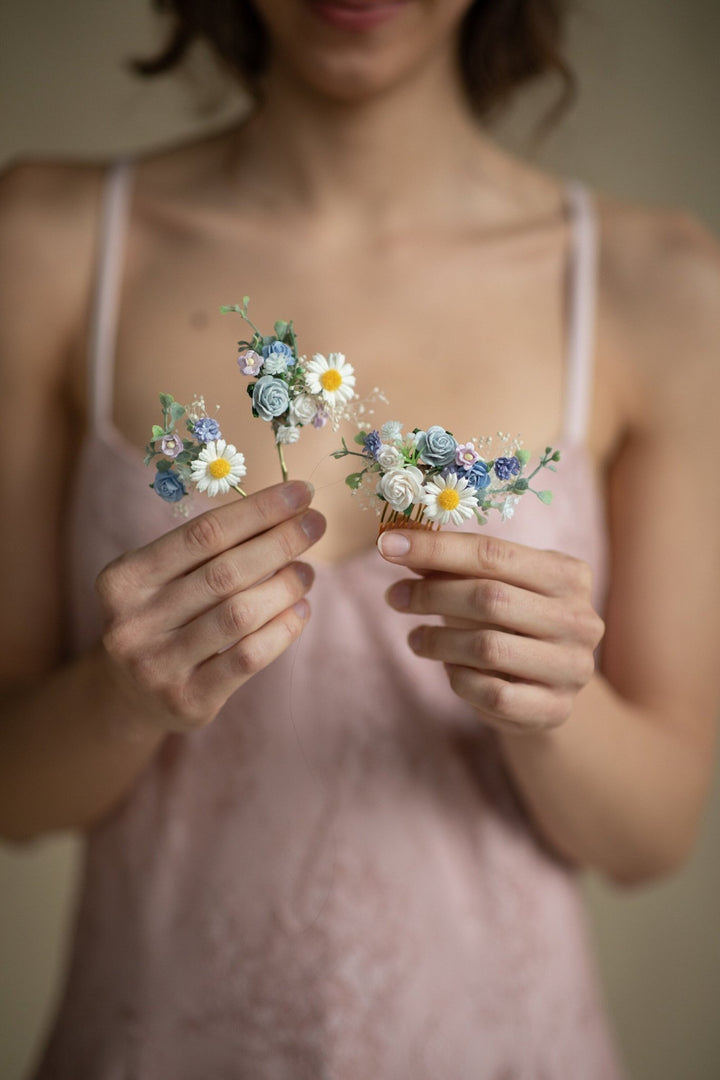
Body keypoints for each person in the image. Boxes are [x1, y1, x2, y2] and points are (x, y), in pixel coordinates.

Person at [1, 0, 718, 1075]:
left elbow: (653, 836)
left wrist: (551, 707)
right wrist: (121, 697)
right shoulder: (45, 242)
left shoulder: (658, 282)